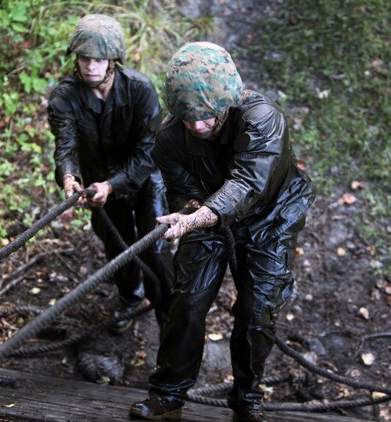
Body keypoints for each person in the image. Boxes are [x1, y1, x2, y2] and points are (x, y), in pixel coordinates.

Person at [129, 42, 315, 422]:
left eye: (207, 116)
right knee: (187, 300)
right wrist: (191, 215)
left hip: (271, 216)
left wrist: (199, 216)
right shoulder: (168, 139)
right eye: (187, 117)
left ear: (227, 100)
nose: (197, 126)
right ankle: (168, 394)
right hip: (205, 218)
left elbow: (249, 183)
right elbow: (186, 194)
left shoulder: (263, 119)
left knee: (257, 309)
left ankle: (247, 398)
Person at [47, 14, 172, 333]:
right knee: (117, 248)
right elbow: (65, 146)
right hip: (98, 183)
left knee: (156, 248)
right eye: (85, 58)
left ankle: (168, 310)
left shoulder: (141, 90)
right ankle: (130, 299)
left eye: (99, 59)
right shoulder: (64, 98)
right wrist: (69, 178)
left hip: (143, 180)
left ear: (113, 61)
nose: (91, 65)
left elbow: (147, 152)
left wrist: (113, 184)